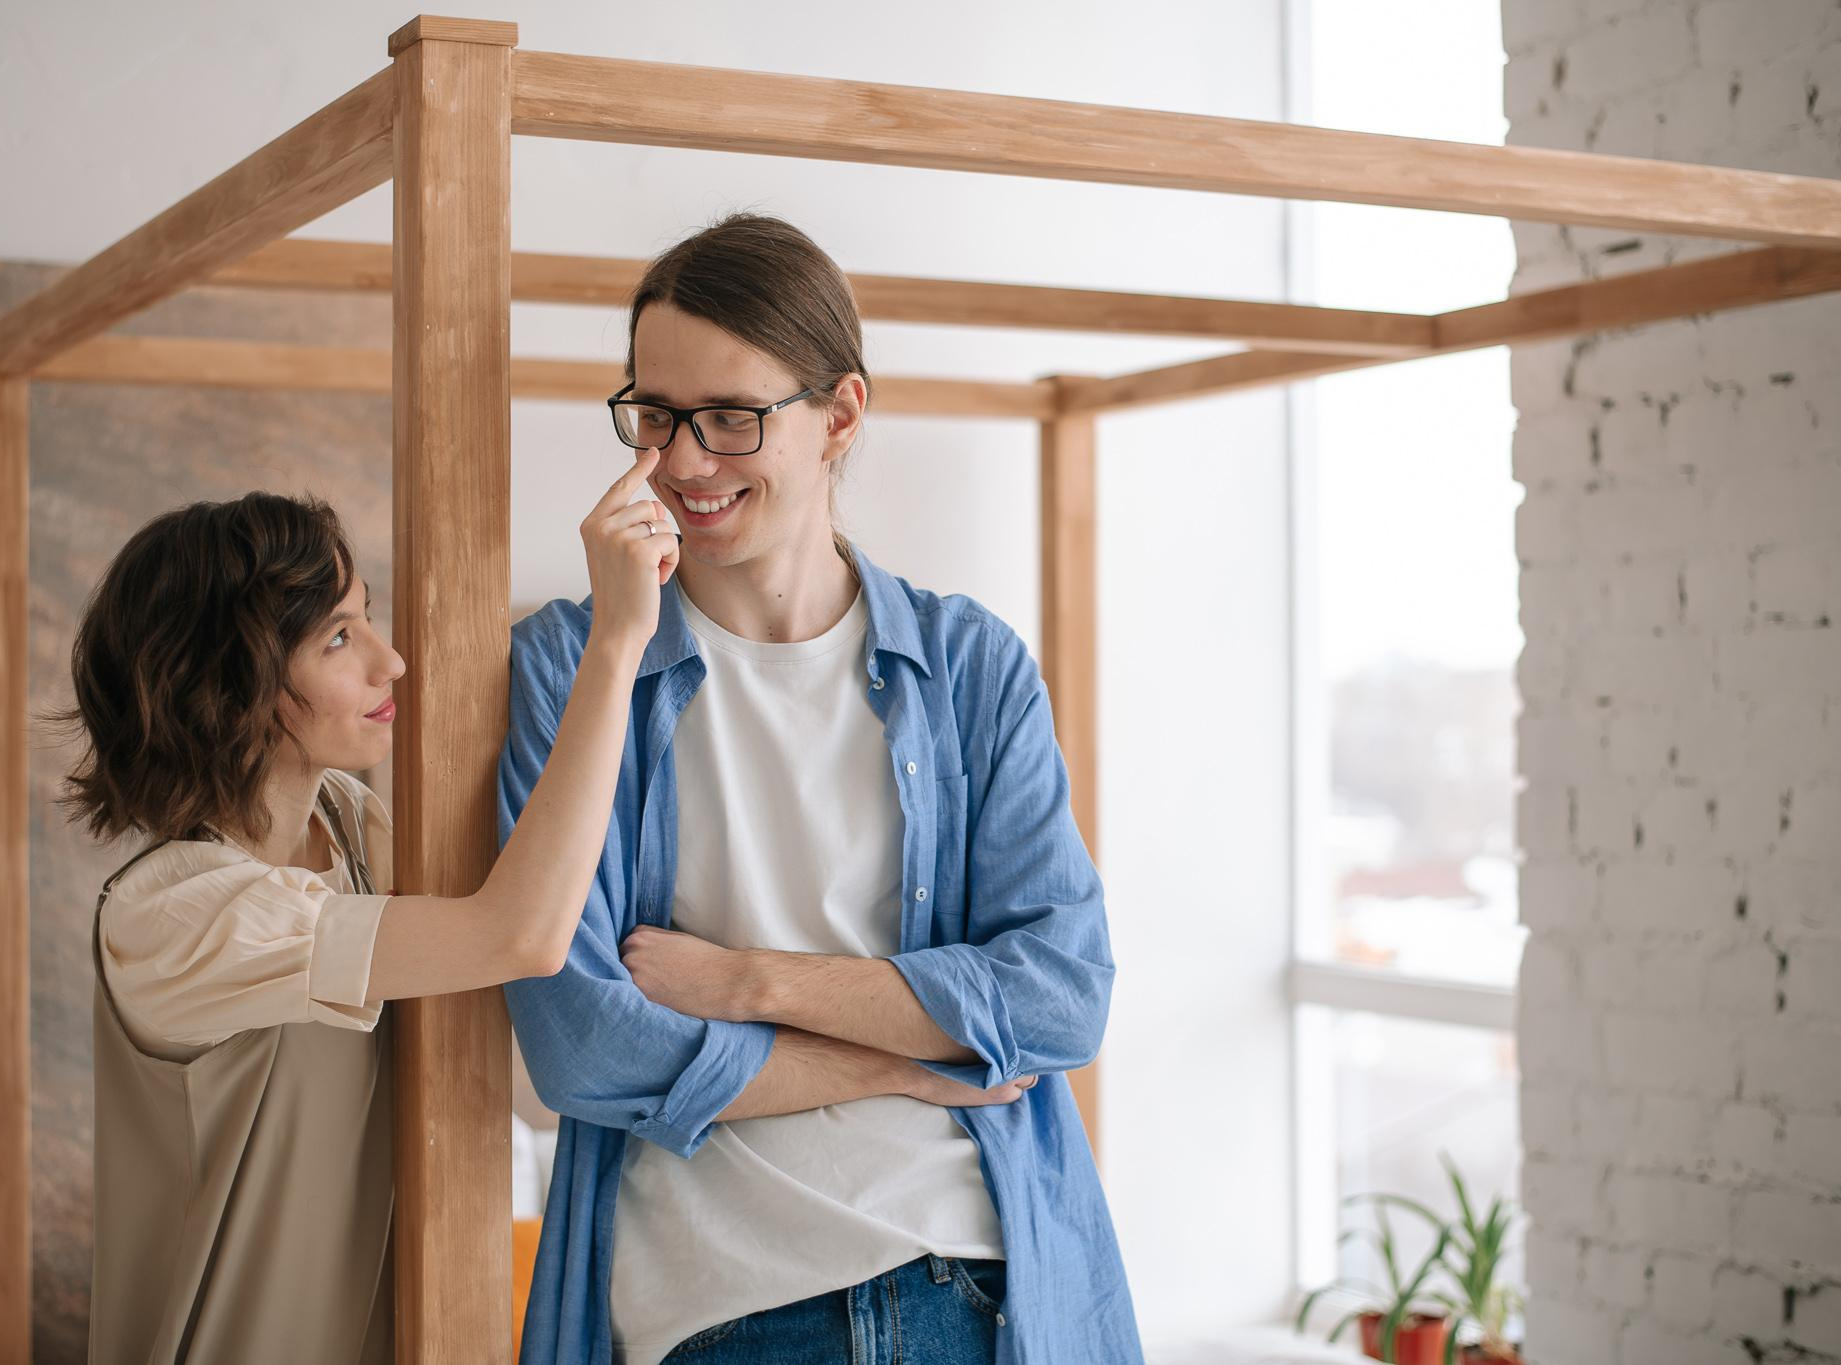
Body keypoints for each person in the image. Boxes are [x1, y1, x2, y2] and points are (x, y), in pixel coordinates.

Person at [501, 214, 1141, 1365]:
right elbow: (581, 1047)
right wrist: (901, 1056)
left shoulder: (969, 666)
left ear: (839, 414)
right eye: (654, 416)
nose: (682, 463)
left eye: (732, 419)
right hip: (713, 1307)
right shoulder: (569, 664)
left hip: (968, 1283)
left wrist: (744, 981)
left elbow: (1058, 1000)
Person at [61, 456, 677, 1365]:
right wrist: (616, 642)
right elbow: (518, 931)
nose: (391, 659)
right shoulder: (172, 914)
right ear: (237, 686)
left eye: (366, 618)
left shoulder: (351, 826)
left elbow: (524, 941)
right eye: (340, 639)